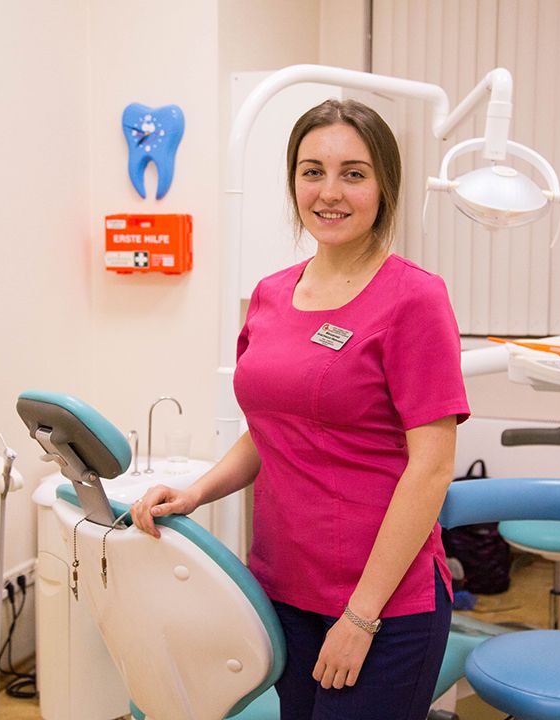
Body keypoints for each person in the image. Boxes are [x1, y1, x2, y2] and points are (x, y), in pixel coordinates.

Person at [130, 98, 469, 720]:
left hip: (384, 602)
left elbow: (432, 467)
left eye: (353, 173)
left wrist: (361, 617)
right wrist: (196, 491)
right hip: (284, 590)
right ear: (293, 182)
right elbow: (272, 430)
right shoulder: (271, 295)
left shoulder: (414, 299)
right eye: (312, 171)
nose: (329, 192)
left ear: (384, 185)